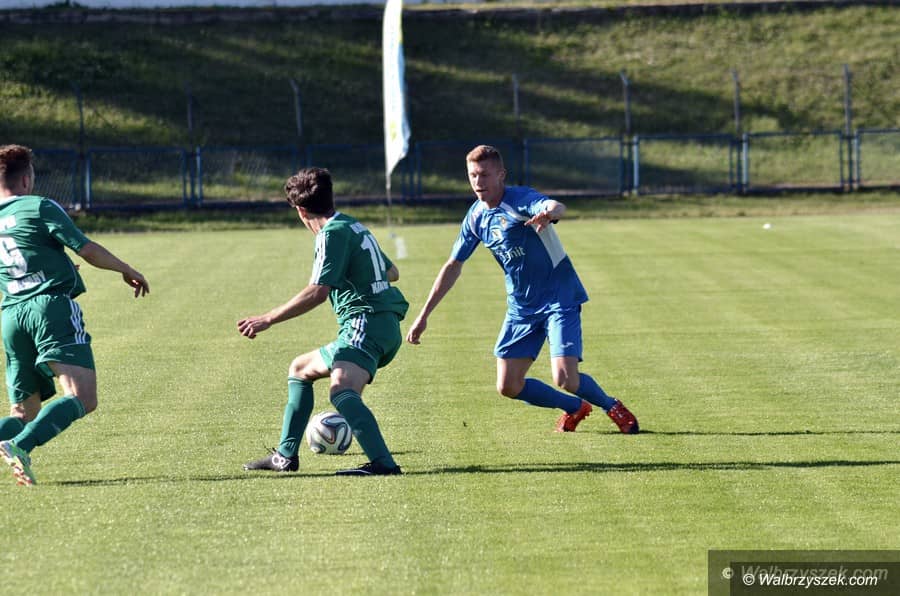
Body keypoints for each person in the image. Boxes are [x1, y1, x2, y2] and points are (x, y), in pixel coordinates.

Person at [406, 145, 639, 434]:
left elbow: (555, 206)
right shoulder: (476, 217)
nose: (478, 182)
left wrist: (549, 213)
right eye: (473, 175)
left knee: (565, 378)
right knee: (508, 385)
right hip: (522, 307)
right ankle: (574, 407)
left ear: (501, 175)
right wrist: (424, 315)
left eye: (484, 175)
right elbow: (453, 265)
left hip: (559, 297)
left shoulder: (519, 200)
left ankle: (611, 405)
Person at [238, 167, 407, 476]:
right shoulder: (353, 225)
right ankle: (285, 456)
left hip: (365, 323)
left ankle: (384, 464)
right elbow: (392, 272)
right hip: (382, 324)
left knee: (341, 390)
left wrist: (268, 319)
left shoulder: (330, 234)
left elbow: (317, 292)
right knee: (300, 369)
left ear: (301, 211)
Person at [0, 144, 150, 486]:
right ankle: (20, 446)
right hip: (49, 309)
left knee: (23, 412)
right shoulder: (38, 206)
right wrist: (125, 269)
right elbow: (87, 248)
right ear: (26, 179)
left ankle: (16, 437)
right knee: (82, 395)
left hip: (10, 316)